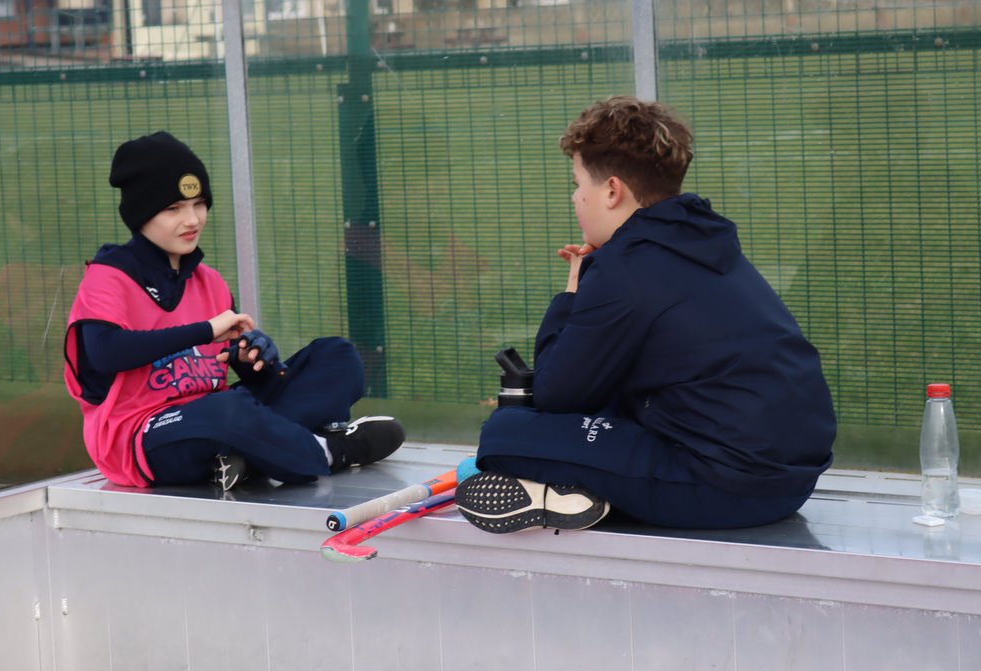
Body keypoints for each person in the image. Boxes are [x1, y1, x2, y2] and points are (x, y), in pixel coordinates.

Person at [454, 96, 836, 533]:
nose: (575, 197)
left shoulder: (625, 268)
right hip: (793, 480)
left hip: (723, 489)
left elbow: (556, 394)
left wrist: (574, 286)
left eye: (579, 184)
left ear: (612, 190)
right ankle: (585, 488)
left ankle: (564, 493)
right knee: (611, 400)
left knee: (505, 434)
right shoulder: (701, 240)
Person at [63, 131, 404, 491]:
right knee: (227, 412)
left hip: (214, 417)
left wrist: (256, 360)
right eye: (173, 209)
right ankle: (329, 452)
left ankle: (245, 460)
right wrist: (205, 330)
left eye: (199, 204)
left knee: (337, 356)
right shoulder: (108, 276)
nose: (191, 219)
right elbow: (105, 352)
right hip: (142, 437)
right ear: (140, 214)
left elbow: (223, 366)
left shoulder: (208, 281)